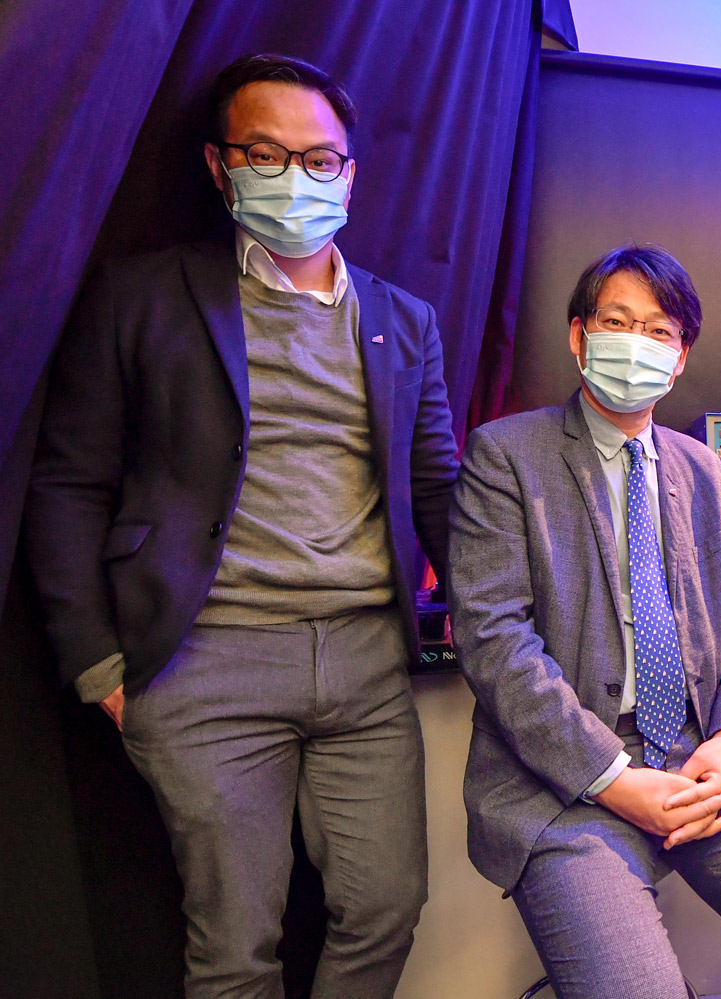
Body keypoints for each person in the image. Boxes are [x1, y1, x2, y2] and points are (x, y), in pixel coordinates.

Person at [25, 53, 458, 998]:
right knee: (234, 946)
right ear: (222, 168)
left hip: (367, 663)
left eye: (319, 157)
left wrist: (485, 611)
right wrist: (98, 665)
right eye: (266, 153)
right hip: (203, 657)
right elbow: (68, 484)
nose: (294, 176)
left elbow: (438, 483)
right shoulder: (142, 295)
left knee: (386, 906)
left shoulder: (404, 320)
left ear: (350, 172)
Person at [447, 243, 721, 999]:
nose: (637, 344)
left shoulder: (703, 467)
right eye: (618, 322)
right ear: (579, 336)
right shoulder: (507, 455)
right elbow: (494, 640)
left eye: (660, 331)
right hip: (564, 776)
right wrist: (613, 778)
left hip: (700, 754)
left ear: (680, 358)